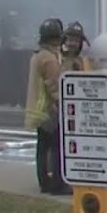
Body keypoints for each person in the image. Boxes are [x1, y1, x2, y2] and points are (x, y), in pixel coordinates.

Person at [23, 18, 68, 195]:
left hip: (37, 109)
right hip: (49, 110)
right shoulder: (49, 59)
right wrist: (62, 103)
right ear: (57, 38)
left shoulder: (37, 55)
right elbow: (54, 85)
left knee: (42, 149)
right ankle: (57, 183)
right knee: (57, 148)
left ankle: (44, 183)